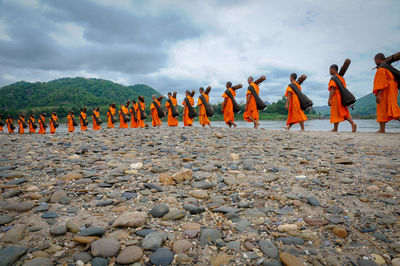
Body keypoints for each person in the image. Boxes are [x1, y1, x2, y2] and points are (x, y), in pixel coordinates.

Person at [372, 53, 400, 133]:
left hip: (385, 91)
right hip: (392, 90)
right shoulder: (388, 67)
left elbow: (381, 83)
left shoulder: (381, 68)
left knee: (382, 108)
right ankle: (382, 129)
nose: (375, 62)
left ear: (378, 59)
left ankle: (382, 129)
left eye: (375, 60)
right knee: (393, 108)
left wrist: (378, 95)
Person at [328, 64, 357, 132]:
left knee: (335, 112)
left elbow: (332, 89)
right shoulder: (341, 78)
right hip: (342, 97)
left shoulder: (333, 78)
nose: (329, 71)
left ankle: (336, 128)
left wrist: (329, 99)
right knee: (344, 112)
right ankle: (352, 124)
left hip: (336, 97)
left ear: (333, 69)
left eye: (330, 70)